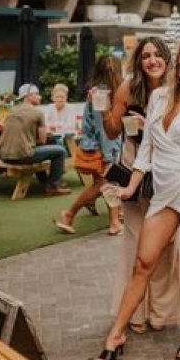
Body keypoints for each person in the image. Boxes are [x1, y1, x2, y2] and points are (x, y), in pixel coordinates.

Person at [93, 37, 180, 360]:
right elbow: (146, 149)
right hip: (165, 193)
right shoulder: (158, 97)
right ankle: (117, 334)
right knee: (143, 263)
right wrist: (130, 188)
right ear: (175, 67)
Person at [102, 36, 180, 335]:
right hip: (133, 168)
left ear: (166, 59)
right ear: (139, 61)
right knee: (134, 242)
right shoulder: (128, 87)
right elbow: (112, 132)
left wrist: (153, 129)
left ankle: (162, 313)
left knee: (166, 244)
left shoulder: (177, 89)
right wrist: (105, 111)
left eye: (157, 54)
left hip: (166, 171)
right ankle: (133, 311)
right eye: (146, 56)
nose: (152, 60)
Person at [54, 56, 123, 236]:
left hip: (97, 146)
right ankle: (69, 214)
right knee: (105, 184)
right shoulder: (102, 94)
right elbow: (102, 129)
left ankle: (115, 220)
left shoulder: (99, 91)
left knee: (107, 184)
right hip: (103, 149)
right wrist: (110, 155)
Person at [0, 84, 71, 196]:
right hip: (22, 156)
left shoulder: (12, 111)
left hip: (4, 155)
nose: (40, 97)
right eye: (36, 94)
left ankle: (45, 182)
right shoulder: (37, 113)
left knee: (37, 149)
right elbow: (43, 140)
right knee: (60, 151)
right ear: (28, 96)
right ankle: (53, 186)